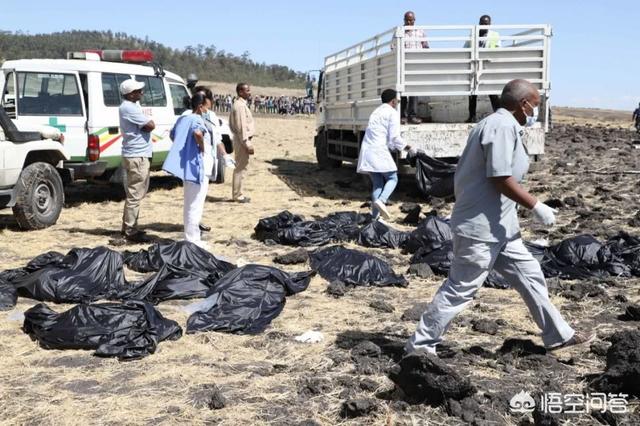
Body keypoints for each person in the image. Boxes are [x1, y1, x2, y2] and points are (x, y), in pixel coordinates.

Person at [405, 79, 595, 356]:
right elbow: (500, 177)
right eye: (535, 106)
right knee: (460, 288)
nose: (535, 112)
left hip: (502, 228)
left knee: (530, 276)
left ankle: (559, 335)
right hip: (480, 228)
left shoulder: (502, 125)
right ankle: (420, 346)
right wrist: (536, 205)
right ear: (523, 104)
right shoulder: (501, 126)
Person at [357, 89, 416, 220]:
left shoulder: (376, 111)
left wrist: (392, 147)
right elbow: (395, 137)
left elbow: (386, 137)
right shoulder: (392, 113)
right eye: (398, 100)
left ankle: (375, 218)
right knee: (392, 178)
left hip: (368, 149)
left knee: (378, 183)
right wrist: (409, 148)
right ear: (393, 100)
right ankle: (382, 200)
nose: (398, 103)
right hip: (378, 149)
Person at [162, 93, 212, 248]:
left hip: (186, 164)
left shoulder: (182, 119)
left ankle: (190, 235)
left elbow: (172, 135)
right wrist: (201, 147)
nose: (208, 109)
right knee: (196, 202)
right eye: (206, 106)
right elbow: (198, 133)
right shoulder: (197, 119)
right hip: (196, 164)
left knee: (189, 201)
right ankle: (193, 239)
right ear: (200, 106)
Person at [118, 78, 155, 242]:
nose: (141, 93)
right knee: (135, 194)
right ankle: (130, 230)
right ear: (131, 94)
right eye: (138, 91)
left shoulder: (131, 106)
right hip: (137, 155)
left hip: (135, 154)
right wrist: (147, 122)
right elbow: (151, 124)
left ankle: (129, 227)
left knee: (136, 192)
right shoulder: (129, 108)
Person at [466, 15, 502, 122]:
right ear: (479, 23)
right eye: (482, 23)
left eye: (486, 23)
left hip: (488, 67)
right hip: (475, 67)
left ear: (490, 24)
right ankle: (472, 117)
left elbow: (499, 50)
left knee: (492, 93)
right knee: (472, 93)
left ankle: (499, 115)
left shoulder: (495, 35)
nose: (484, 25)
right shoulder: (473, 34)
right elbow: (466, 48)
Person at [229, 82, 255, 203]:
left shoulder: (240, 104)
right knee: (239, 168)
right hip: (241, 140)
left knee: (241, 167)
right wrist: (246, 143)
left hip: (240, 139)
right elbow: (241, 127)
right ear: (240, 92)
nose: (249, 92)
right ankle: (237, 195)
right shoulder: (239, 106)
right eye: (247, 90)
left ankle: (238, 193)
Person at [401, 11, 428, 125]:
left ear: (414, 20)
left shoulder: (420, 32)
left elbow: (426, 46)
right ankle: (402, 115)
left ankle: (412, 116)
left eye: (411, 20)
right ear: (404, 20)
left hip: (416, 65)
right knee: (402, 92)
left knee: (414, 91)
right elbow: (393, 47)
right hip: (403, 65)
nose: (409, 22)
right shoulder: (399, 32)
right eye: (407, 20)